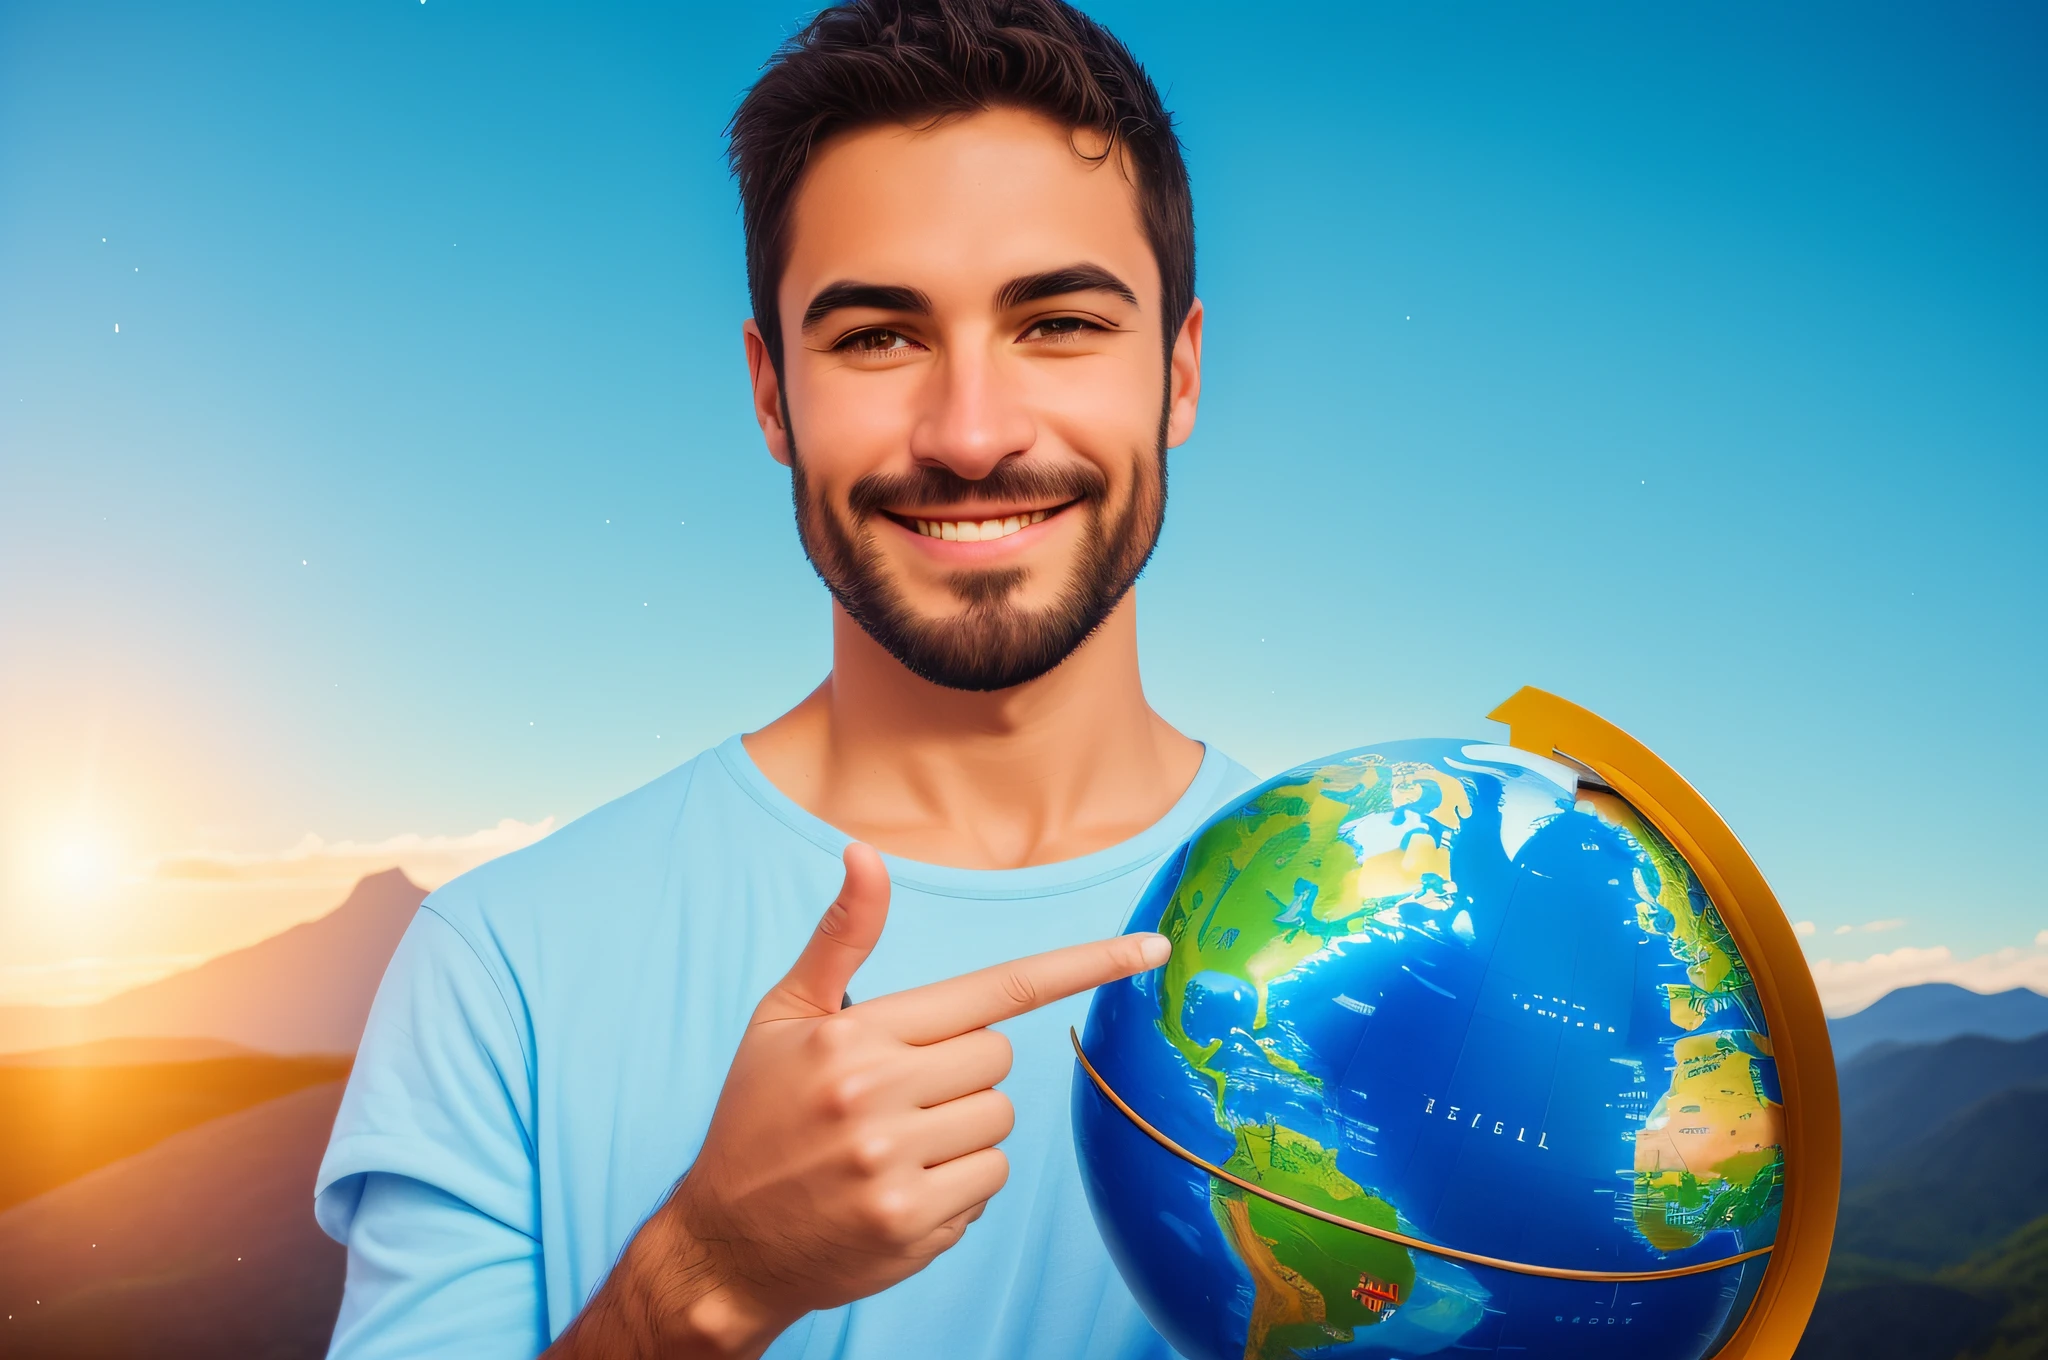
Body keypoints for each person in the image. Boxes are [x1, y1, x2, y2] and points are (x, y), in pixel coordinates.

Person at [313, 1, 1257, 1355]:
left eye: (1057, 323)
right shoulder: (498, 971)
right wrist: (701, 1276)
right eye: (879, 336)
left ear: (1179, 372)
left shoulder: (1401, 960)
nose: (974, 436)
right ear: (772, 396)